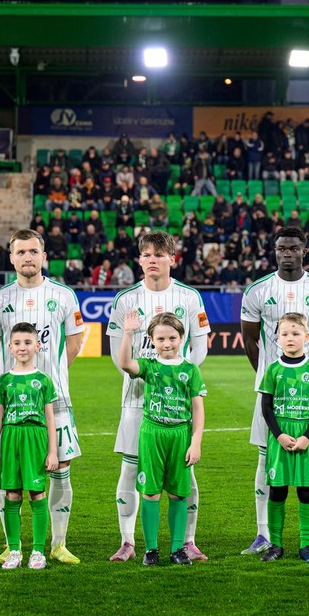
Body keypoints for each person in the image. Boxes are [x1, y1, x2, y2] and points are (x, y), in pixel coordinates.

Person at [240, 226, 309, 557]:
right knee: (265, 458)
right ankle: (263, 535)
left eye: (293, 248)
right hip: (271, 394)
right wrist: (273, 378)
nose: (287, 253)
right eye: (281, 248)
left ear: (304, 251)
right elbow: (249, 340)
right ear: (275, 252)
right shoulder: (257, 291)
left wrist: (308, 380)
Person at [107, 230, 211, 563]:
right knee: (130, 469)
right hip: (137, 399)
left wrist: (174, 378)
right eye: (147, 254)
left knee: (185, 472)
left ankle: (187, 540)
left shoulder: (190, 297)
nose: (153, 260)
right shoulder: (125, 299)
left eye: (159, 254)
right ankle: (128, 541)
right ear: (140, 260)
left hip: (177, 404)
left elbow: (202, 345)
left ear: (172, 258)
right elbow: (117, 355)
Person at [0, 229, 85, 565]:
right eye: (20, 252)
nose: (27, 257)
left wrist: (47, 380)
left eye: (33, 251)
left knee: (60, 468)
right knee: (8, 472)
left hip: (55, 399)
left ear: (44, 256)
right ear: (11, 258)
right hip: (13, 404)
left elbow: (73, 344)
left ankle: (58, 542)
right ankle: (10, 544)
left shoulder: (64, 295)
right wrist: (19, 378)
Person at [116, 311, 206, 566]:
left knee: (179, 493)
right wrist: (128, 332)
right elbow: (125, 363)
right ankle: (151, 550)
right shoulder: (149, 366)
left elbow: (198, 408)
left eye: (172, 338)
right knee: (151, 493)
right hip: (152, 433)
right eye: (161, 339)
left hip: (180, 434)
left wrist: (196, 441)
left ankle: (177, 549)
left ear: (182, 338)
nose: (167, 344)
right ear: (152, 341)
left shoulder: (190, 370)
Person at [0, 323, 59, 570]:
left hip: (35, 437)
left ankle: (38, 551)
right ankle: (14, 550)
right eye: (17, 343)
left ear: (37, 346)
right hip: (10, 438)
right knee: (12, 494)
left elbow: (50, 418)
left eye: (28, 342)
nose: (22, 347)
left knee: (37, 493)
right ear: (9, 347)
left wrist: (53, 451)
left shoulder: (43, 380)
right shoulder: (4, 380)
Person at [257, 313, 309, 564]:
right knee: (277, 491)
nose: (290, 338)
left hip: (306, 437)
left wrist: (308, 437)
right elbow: (266, 408)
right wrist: (279, 435)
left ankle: (306, 545)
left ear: (307, 338)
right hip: (280, 438)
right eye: (285, 333)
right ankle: (275, 545)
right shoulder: (273, 369)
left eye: (296, 333)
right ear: (278, 338)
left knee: (307, 491)